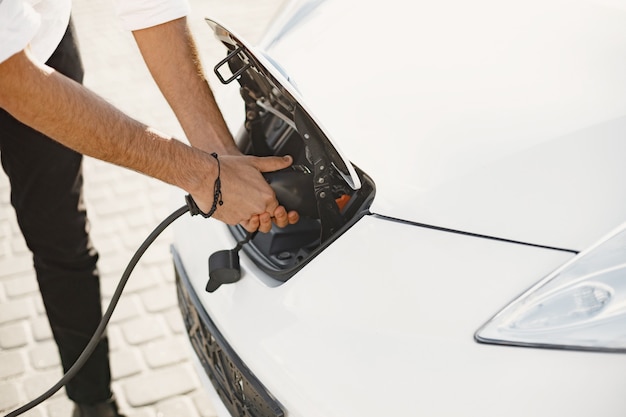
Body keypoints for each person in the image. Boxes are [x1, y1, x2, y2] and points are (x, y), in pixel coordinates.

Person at [0, 0, 299, 416]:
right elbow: (11, 80)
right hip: (11, 69)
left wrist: (219, 158)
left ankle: (92, 403)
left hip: (39, 43)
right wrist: (199, 175)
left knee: (60, 238)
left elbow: (151, 7)